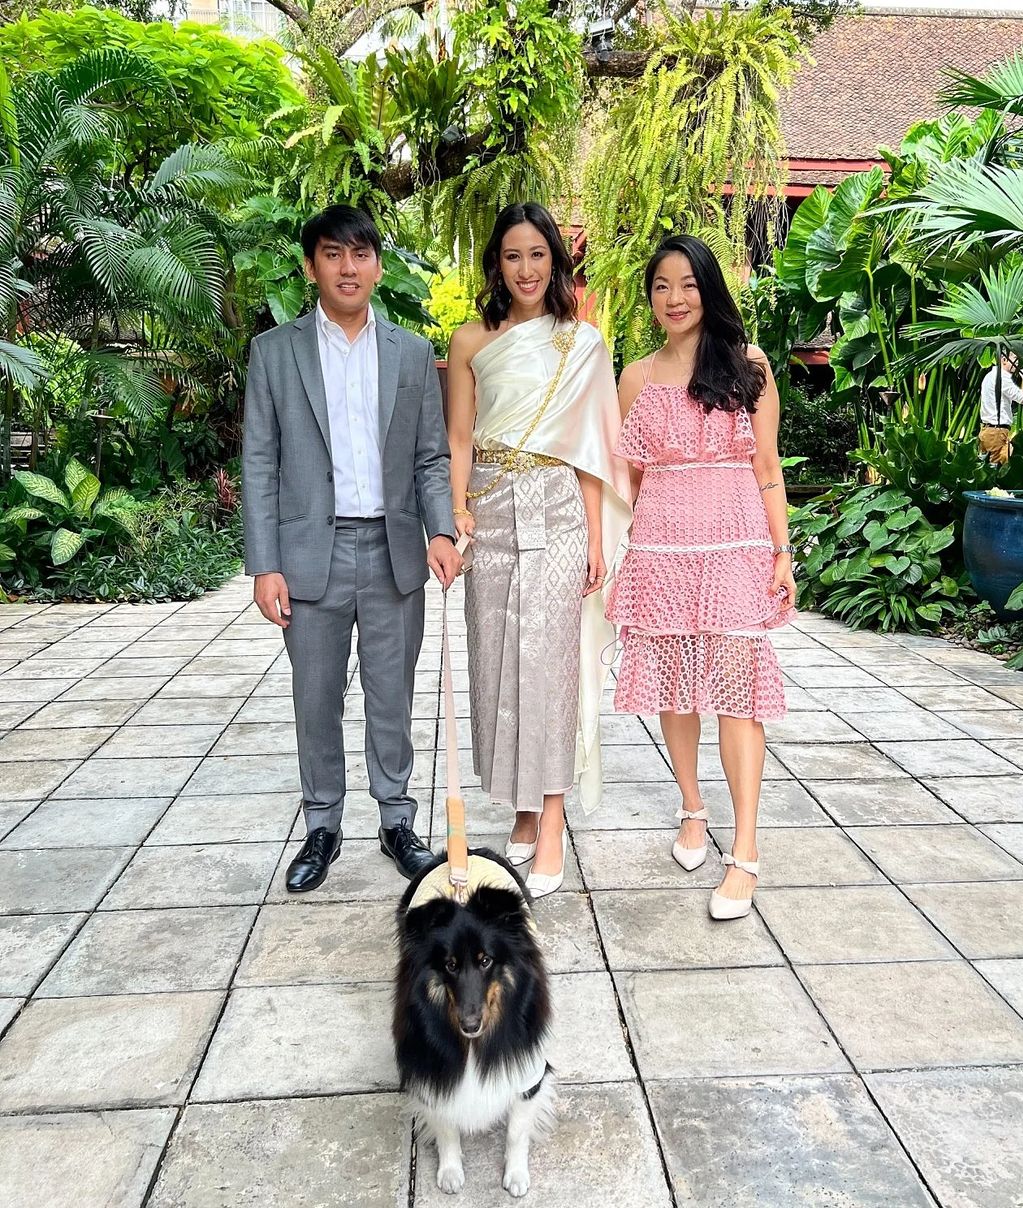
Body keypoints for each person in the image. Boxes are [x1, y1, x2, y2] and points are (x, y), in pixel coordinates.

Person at [242, 204, 461, 893]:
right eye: (333, 254)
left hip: (394, 551)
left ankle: (397, 821)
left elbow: (430, 457)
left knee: (392, 695)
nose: (348, 267)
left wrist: (442, 530)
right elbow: (259, 463)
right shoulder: (274, 353)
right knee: (316, 697)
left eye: (361, 254)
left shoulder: (410, 353)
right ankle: (322, 826)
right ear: (311, 266)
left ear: (378, 267)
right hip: (312, 552)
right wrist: (265, 564)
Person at [605, 234, 795, 920]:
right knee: (675, 684)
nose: (674, 298)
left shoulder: (749, 364)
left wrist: (782, 550)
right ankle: (691, 807)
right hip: (662, 550)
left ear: (708, 289)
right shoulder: (636, 377)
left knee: (739, 692)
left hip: (737, 548)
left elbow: (767, 466)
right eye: (661, 286)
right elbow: (631, 479)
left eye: (687, 284)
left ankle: (744, 850)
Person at [446, 202, 632, 899]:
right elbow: (458, 438)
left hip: (558, 511)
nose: (526, 269)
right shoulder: (471, 340)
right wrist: (457, 513)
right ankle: (522, 805)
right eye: (512, 255)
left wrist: (595, 539)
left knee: (551, 667)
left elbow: (592, 449)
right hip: (490, 512)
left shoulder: (582, 343)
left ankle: (551, 819)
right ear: (496, 264)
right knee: (498, 663)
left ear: (556, 261)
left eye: (538, 254)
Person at [978, 355, 1023, 464]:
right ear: (1004, 359)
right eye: (1014, 358)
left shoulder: (989, 376)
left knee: (989, 465)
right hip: (996, 432)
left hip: (989, 430)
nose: (1017, 362)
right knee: (996, 467)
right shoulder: (1001, 378)